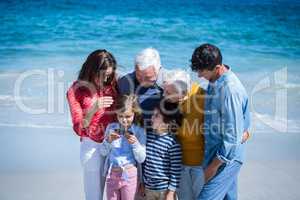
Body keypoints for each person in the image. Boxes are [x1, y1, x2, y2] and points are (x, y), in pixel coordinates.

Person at [190, 44, 251, 200]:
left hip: (226, 159)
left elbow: (232, 139)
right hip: (214, 152)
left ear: (217, 67)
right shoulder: (214, 80)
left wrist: (212, 168)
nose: (198, 75)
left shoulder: (230, 90)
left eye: (201, 71)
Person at [66, 49, 118, 200]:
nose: (106, 79)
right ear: (92, 70)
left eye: (109, 75)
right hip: (92, 147)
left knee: (117, 193)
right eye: (102, 75)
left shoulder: (113, 84)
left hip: (115, 143)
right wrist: (94, 108)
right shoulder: (76, 90)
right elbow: (79, 128)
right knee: (94, 196)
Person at [162, 70, 206, 200]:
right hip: (180, 165)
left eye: (168, 93)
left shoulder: (203, 97)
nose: (164, 95)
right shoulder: (169, 103)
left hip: (201, 166)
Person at [99, 95, 146, 200]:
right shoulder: (111, 128)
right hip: (112, 174)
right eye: (120, 116)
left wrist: (135, 144)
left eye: (128, 116)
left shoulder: (139, 131)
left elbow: (141, 158)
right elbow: (102, 152)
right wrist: (108, 141)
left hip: (130, 174)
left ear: (134, 113)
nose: (124, 120)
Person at [142, 100, 182, 200]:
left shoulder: (172, 143)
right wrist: (142, 183)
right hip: (148, 189)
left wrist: (171, 192)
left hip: (164, 191)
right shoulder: (148, 136)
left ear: (167, 123)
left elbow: (175, 171)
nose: (151, 118)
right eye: (153, 115)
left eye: (156, 116)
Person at [118, 48, 163, 129]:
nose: (143, 82)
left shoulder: (167, 86)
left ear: (159, 69)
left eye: (148, 77)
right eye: (139, 76)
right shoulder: (125, 82)